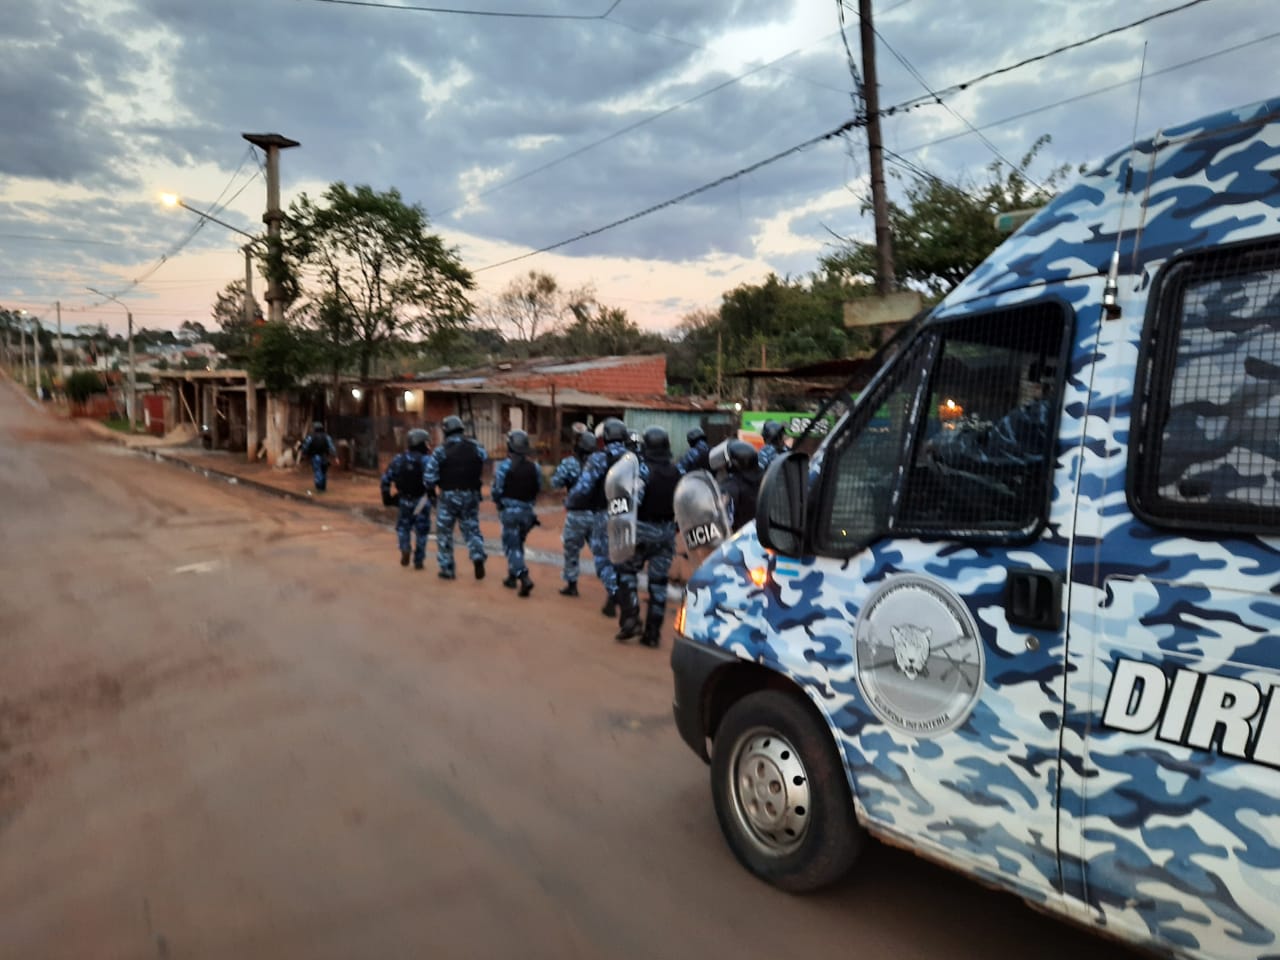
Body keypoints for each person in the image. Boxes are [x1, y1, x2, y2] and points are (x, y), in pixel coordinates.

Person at [615, 426, 679, 647]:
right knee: (658, 583)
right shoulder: (677, 471)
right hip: (667, 534)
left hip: (641, 532)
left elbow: (634, 501)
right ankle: (653, 633)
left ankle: (631, 617)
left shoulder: (642, 471)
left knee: (626, 572)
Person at [567, 416, 630, 617]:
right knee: (622, 559)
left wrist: (571, 501)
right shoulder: (634, 459)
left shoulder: (599, 458)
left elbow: (584, 487)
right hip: (629, 516)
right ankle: (617, 597)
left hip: (605, 514)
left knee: (603, 558)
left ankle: (616, 594)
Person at [425, 415, 488, 581]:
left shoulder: (441, 450)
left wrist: (431, 493)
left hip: (448, 496)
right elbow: (483, 458)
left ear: (446, 431)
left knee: (445, 532)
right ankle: (477, 555)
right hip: (471, 494)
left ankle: (447, 569)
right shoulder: (476, 447)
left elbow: (429, 477)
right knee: (472, 529)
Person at [551, 428, 600, 597]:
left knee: (571, 550)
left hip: (577, 514)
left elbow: (555, 482)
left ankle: (572, 585)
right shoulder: (602, 463)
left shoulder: (570, 463)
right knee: (601, 553)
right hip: (598, 514)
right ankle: (613, 590)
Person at [492, 429, 542, 597]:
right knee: (517, 544)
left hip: (510, 512)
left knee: (511, 547)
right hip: (527, 512)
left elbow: (497, 490)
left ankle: (524, 577)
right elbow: (538, 488)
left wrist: (499, 504)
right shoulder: (535, 467)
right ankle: (511, 577)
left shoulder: (504, 466)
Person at [380, 428, 433, 570]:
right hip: (422, 501)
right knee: (422, 530)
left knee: (403, 527)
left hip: (404, 499)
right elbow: (433, 480)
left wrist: (386, 496)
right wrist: (433, 495)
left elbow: (385, 479)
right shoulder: (427, 460)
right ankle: (419, 560)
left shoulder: (399, 459)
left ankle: (405, 548)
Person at [721, 439, 764, 532]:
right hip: (764, 537)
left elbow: (723, 523)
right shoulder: (765, 477)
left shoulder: (730, 487)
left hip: (740, 540)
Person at [299, 421, 337, 492]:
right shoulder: (326, 436)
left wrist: (304, 453)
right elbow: (331, 447)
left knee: (318, 471)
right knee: (324, 471)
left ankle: (319, 487)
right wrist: (335, 456)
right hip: (324, 457)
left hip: (316, 457)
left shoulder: (311, 436)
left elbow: (306, 446)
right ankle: (323, 487)